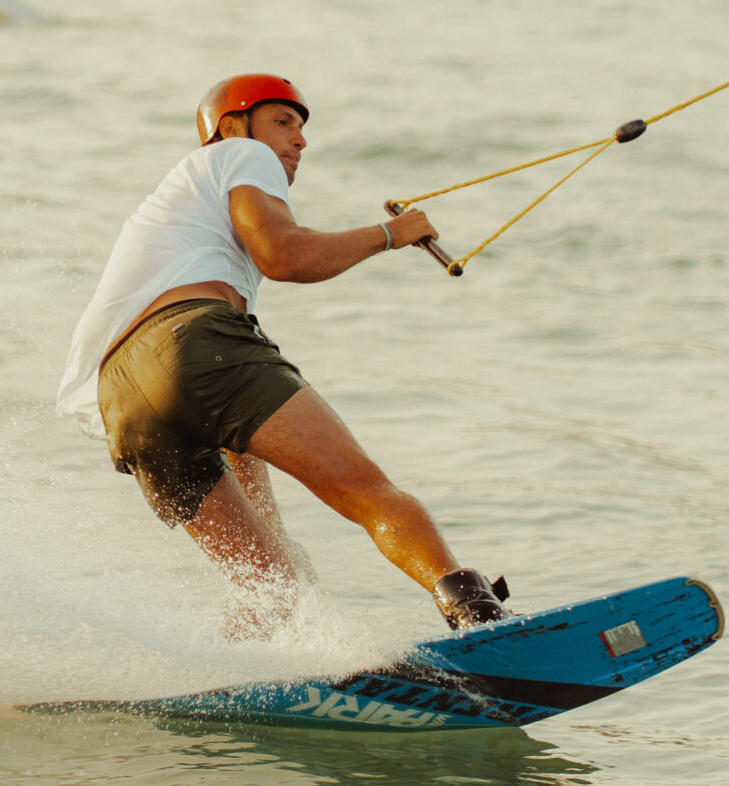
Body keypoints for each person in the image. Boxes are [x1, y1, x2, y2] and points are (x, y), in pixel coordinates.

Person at [56, 73, 507, 634]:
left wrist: (273, 530)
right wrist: (390, 234)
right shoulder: (241, 154)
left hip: (123, 400)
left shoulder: (187, 225)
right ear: (231, 127)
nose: (299, 140)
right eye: (283, 121)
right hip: (190, 341)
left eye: (300, 128)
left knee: (272, 581)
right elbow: (284, 255)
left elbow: (225, 427)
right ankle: (481, 618)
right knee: (368, 493)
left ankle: (240, 671)